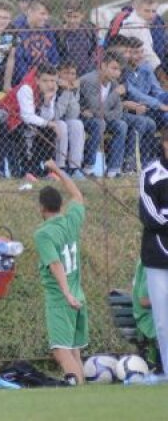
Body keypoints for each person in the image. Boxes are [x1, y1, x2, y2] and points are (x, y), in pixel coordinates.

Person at [34, 159, 87, 385]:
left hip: (61, 298)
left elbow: (55, 264)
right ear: (60, 205)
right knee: (74, 350)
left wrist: (66, 294)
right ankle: (83, 393)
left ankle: (76, 389)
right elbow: (77, 195)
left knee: (60, 350)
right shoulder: (71, 220)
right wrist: (57, 170)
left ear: (42, 208)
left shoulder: (43, 233)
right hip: (78, 294)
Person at [18, 64, 85, 177]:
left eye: (52, 81)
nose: (49, 84)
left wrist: (49, 101)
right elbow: (28, 117)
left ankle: (74, 168)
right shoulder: (27, 88)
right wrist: (49, 123)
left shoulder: (53, 89)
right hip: (17, 123)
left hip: (41, 122)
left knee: (77, 124)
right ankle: (58, 167)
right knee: (59, 125)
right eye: (45, 81)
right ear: (37, 80)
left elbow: (72, 114)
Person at [138, 136, 168, 378]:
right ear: (164, 144)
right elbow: (150, 216)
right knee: (163, 322)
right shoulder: (151, 173)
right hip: (157, 257)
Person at [79, 53, 134, 178]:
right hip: (83, 118)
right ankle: (88, 168)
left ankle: (113, 170)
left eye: (119, 70)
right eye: (114, 68)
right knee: (99, 124)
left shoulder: (113, 83)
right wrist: (114, 94)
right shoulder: (90, 80)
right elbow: (95, 108)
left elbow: (118, 111)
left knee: (121, 125)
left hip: (101, 118)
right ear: (103, 65)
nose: (117, 73)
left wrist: (102, 113)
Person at [11, 0, 60, 85]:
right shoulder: (18, 29)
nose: (46, 18)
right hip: (25, 81)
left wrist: (51, 78)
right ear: (30, 12)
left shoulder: (47, 30)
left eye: (47, 14)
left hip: (47, 78)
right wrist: (33, 81)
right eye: (42, 14)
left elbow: (54, 56)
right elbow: (19, 62)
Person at [57, 0, 98, 77]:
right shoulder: (59, 34)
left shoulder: (88, 30)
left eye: (75, 17)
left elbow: (93, 50)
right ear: (64, 15)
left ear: (82, 15)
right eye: (69, 17)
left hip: (88, 73)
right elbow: (59, 56)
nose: (72, 21)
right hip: (68, 75)